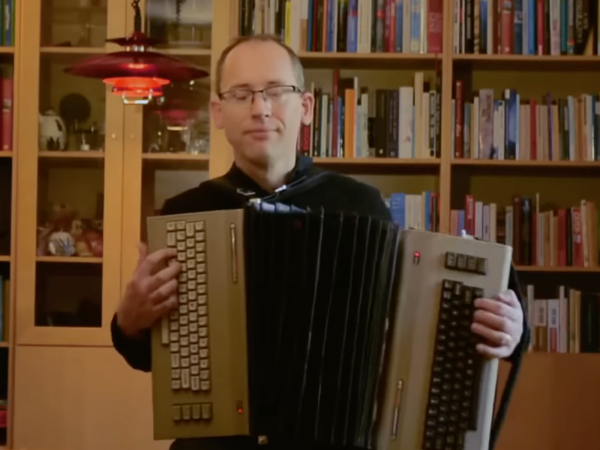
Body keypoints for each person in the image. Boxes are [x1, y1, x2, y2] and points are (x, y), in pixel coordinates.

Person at [111, 34, 529, 449]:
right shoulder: (186, 213)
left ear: (306, 107)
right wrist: (128, 324)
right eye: (241, 94)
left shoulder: (360, 206)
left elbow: (414, 329)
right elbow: (154, 361)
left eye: (277, 91)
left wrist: (511, 332)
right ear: (218, 112)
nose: (260, 108)